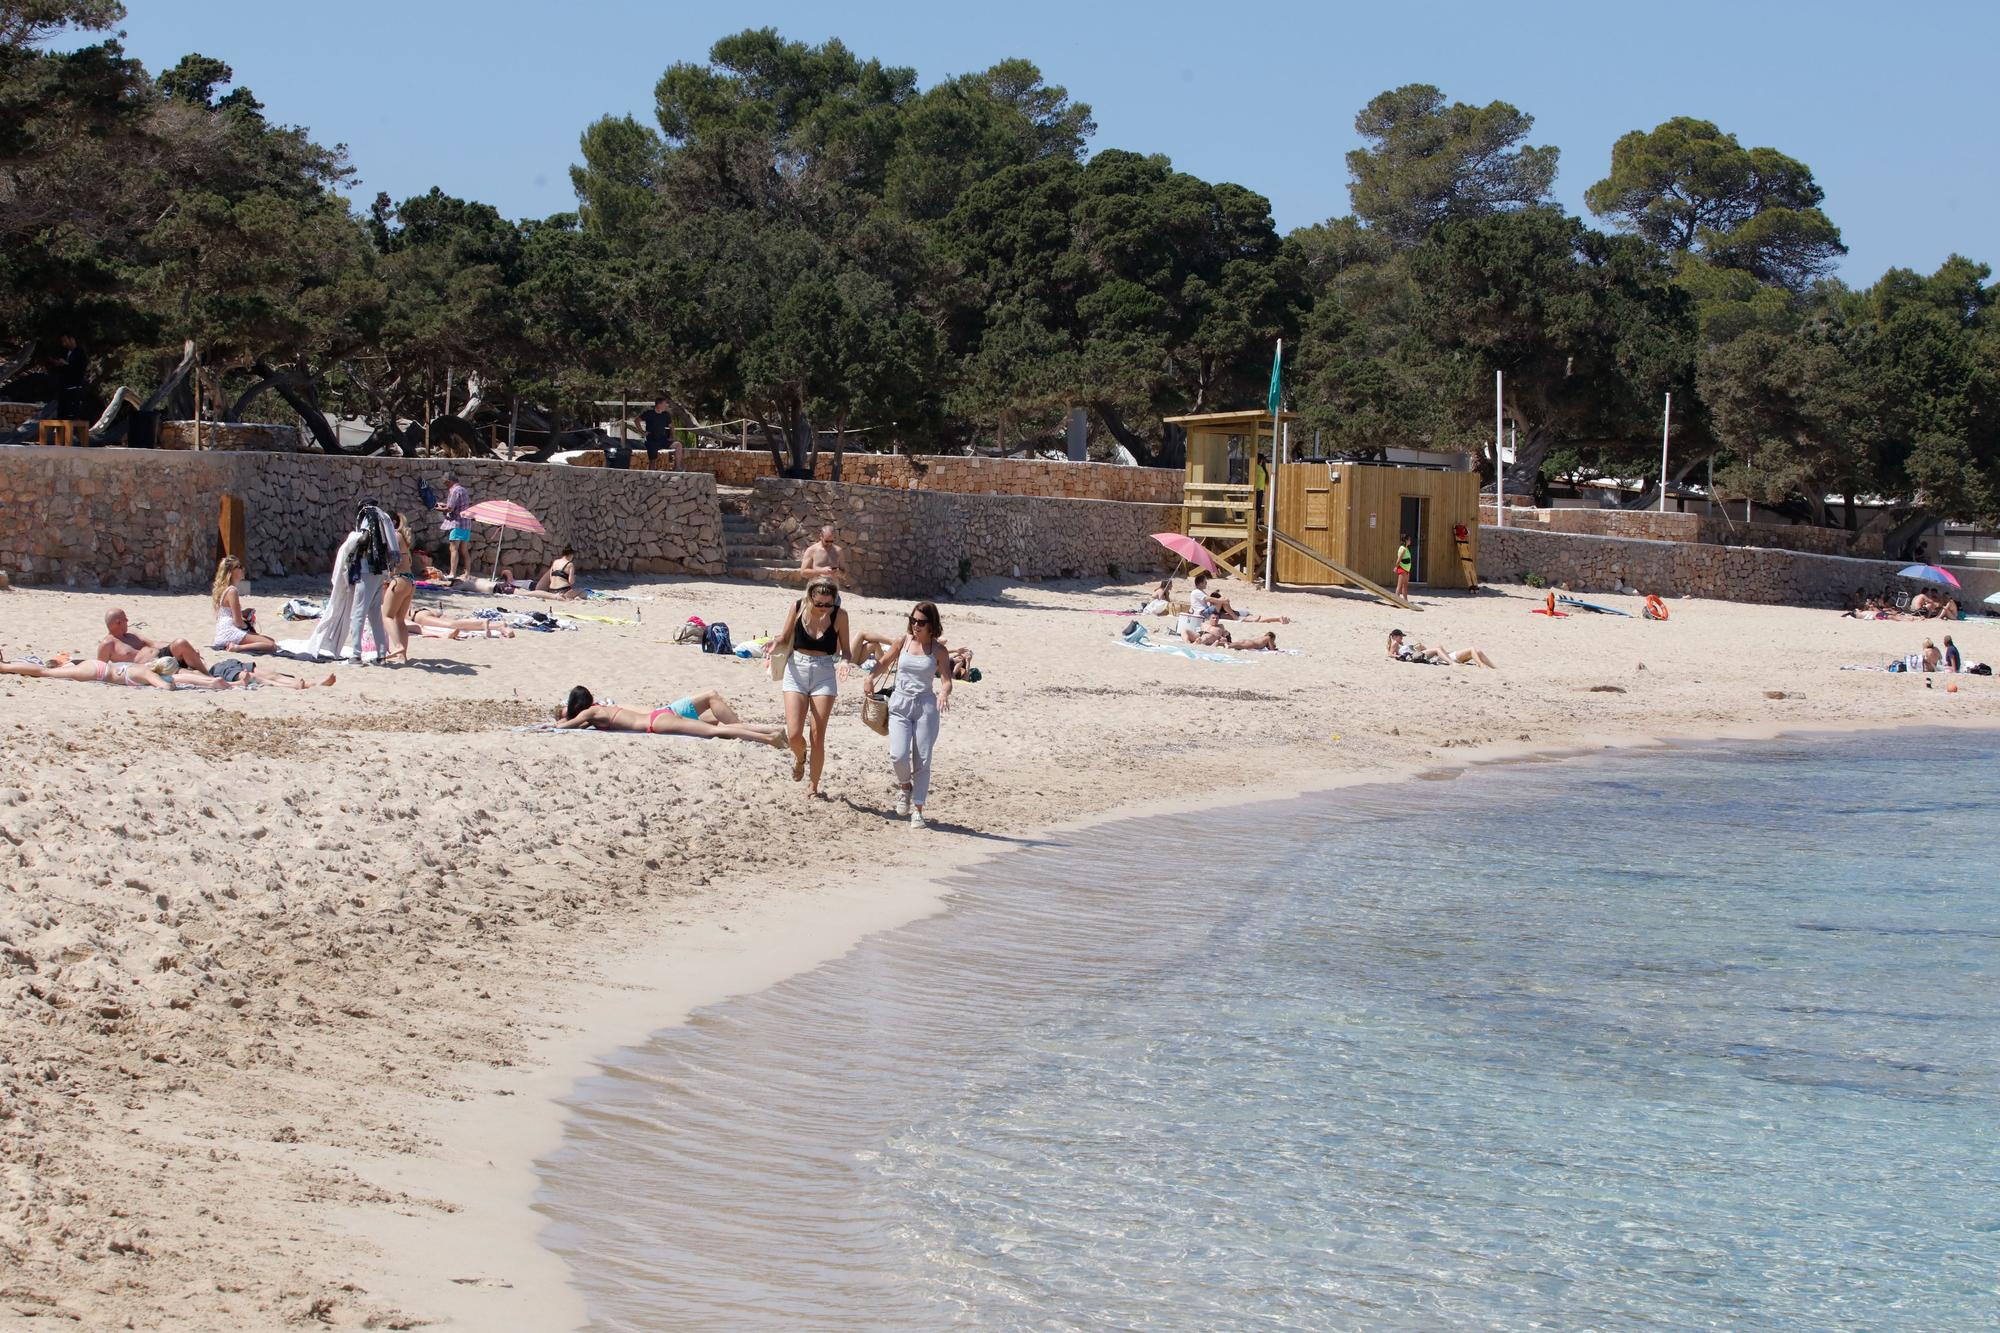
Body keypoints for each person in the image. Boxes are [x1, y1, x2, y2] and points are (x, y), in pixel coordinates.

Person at [867, 601, 953, 829]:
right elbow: (884, 663)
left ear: (932, 624)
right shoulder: (902, 642)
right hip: (900, 703)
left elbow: (946, 680)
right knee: (898, 755)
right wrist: (869, 678)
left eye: (921, 622)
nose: (916, 625)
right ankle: (905, 787)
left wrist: (944, 693)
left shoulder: (939, 651)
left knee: (922, 759)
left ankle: (918, 809)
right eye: (913, 620)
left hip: (926, 705)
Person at [776, 575, 851, 798]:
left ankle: (813, 785)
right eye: (819, 604)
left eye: (829, 604)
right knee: (794, 734)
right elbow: (785, 636)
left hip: (824, 673)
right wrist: (773, 643)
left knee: (818, 735)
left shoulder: (840, 615)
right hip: (796, 670)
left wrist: (845, 661)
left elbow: (846, 650)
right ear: (810, 597)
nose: (824, 608)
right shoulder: (798, 607)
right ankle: (800, 757)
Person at [550, 686, 785, 745]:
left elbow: (566, 727)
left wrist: (556, 723)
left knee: (715, 731)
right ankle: (770, 731)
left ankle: (768, 739)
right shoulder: (600, 708)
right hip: (660, 715)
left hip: (656, 723)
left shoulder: (591, 712)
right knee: (713, 728)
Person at [1, 653, 231, 690]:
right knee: (44, 673)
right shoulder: (149, 675)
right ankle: (4, 667)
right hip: (99, 672)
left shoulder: (147, 668)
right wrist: (169, 684)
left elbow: (181, 676)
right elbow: (168, 686)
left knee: (50, 670)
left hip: (100, 666)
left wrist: (211, 683)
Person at [98, 607, 207, 673]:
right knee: (187, 672)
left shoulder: (131, 633)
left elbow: (153, 643)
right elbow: (100, 669)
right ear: (118, 623)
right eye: (125, 619)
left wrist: (177, 646)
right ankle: (207, 676)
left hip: (160, 654)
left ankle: (205, 672)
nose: (127, 620)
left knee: (181, 643)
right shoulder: (108, 644)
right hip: (152, 666)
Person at [211, 556, 277, 653]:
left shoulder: (227, 589)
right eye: (239, 566)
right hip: (229, 631)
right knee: (271, 645)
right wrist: (248, 626)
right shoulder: (232, 591)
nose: (243, 569)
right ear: (231, 571)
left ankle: (238, 646)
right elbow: (238, 622)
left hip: (223, 630)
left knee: (270, 641)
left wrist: (244, 613)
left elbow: (229, 613)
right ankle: (238, 648)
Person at [1188, 570, 1286, 625]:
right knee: (1228, 605)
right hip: (1204, 614)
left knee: (1247, 615)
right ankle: (1235, 617)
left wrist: (1220, 600)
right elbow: (1210, 599)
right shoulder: (1196, 592)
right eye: (1205, 582)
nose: (1206, 583)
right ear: (1200, 583)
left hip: (1210, 612)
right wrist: (1221, 600)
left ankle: (1277, 619)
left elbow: (1210, 600)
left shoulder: (1200, 592)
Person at [381, 514, 417, 663]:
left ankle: (397, 646)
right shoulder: (403, 538)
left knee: (386, 615)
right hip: (410, 581)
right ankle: (402, 655)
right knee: (400, 620)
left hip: (399, 580)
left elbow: (392, 561)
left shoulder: (394, 536)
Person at [1387, 627, 1495, 668]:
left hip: (1434, 655)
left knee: (1478, 651)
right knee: (1472, 649)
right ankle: (1481, 665)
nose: (1402, 638)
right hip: (1446, 658)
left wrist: (1419, 647)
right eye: (1400, 636)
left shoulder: (1400, 644)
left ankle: (1493, 668)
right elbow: (1390, 654)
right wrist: (1398, 656)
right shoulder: (1395, 643)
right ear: (1395, 636)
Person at [205, 657, 335, 689]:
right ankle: (295, 686)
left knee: (270, 674)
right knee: (255, 677)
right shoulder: (187, 665)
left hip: (230, 662)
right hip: (219, 670)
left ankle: (311, 683)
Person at [436, 473, 472, 579]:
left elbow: (450, 508)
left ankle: (452, 573)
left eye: (445, 482)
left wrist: (438, 508)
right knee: (464, 550)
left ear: (449, 481)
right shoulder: (462, 490)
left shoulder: (454, 490)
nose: (445, 484)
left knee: (453, 548)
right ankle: (467, 574)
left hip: (457, 523)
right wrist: (444, 505)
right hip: (466, 523)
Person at [52, 333, 87, 421]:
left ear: (72, 339)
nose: (64, 344)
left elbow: (78, 369)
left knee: (72, 414)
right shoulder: (65, 353)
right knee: (62, 414)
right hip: (64, 387)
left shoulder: (80, 353)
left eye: (65, 341)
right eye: (62, 342)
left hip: (74, 387)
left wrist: (66, 364)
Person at [636, 397, 677, 470]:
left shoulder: (666, 415)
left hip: (662, 439)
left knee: (678, 445)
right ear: (659, 404)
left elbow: (671, 426)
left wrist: (672, 436)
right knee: (652, 461)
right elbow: (637, 420)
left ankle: (678, 467)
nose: (666, 406)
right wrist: (642, 432)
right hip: (652, 440)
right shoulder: (649, 413)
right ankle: (651, 477)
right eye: (664, 404)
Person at [1395, 534, 1414, 601]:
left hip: (1406, 569)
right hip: (1402, 568)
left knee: (1405, 586)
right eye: (1409, 539)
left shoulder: (1406, 548)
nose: (1410, 541)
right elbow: (1399, 559)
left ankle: (1405, 600)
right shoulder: (1402, 549)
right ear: (1406, 540)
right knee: (1399, 585)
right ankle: (1396, 600)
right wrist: (1396, 567)